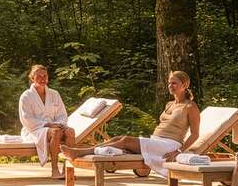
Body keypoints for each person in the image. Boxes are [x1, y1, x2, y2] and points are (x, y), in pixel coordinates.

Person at [61, 70, 200, 178]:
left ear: (185, 85)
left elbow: (195, 134)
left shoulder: (190, 107)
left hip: (170, 145)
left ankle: (80, 152)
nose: (170, 86)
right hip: (156, 141)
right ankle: (83, 151)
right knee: (119, 139)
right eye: (169, 83)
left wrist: (179, 151)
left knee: (126, 140)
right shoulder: (169, 104)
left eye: (174, 83)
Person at [19, 65, 73, 179]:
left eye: (45, 76)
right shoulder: (26, 96)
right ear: (32, 78)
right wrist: (48, 124)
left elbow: (62, 114)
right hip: (34, 129)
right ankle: (54, 170)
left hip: (55, 126)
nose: (43, 79)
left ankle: (67, 170)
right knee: (56, 133)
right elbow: (26, 118)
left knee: (70, 132)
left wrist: (60, 124)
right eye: (39, 76)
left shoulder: (54, 94)